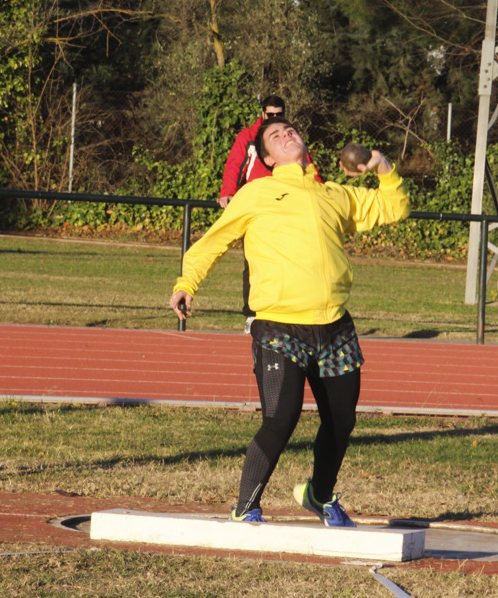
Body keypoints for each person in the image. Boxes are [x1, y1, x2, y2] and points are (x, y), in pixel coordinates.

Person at [171, 118, 409, 526]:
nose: (286, 135)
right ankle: (245, 506)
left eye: (291, 131)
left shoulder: (333, 194)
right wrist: (187, 283)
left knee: (342, 422)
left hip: (334, 326)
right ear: (266, 157)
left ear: (303, 142)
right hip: (279, 326)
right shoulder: (256, 193)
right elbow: (213, 241)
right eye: (274, 136)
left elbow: (395, 207)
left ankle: (318, 495)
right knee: (281, 418)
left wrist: (382, 164)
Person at [218, 96, 322, 332]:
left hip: (289, 207)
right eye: (270, 115)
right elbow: (235, 165)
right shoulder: (248, 137)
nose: (276, 119)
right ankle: (253, 315)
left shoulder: (290, 137)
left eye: (280, 115)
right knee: (254, 263)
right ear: (262, 114)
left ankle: (296, 312)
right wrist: (228, 192)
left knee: (294, 260)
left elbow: (307, 166)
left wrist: (320, 193)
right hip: (258, 208)